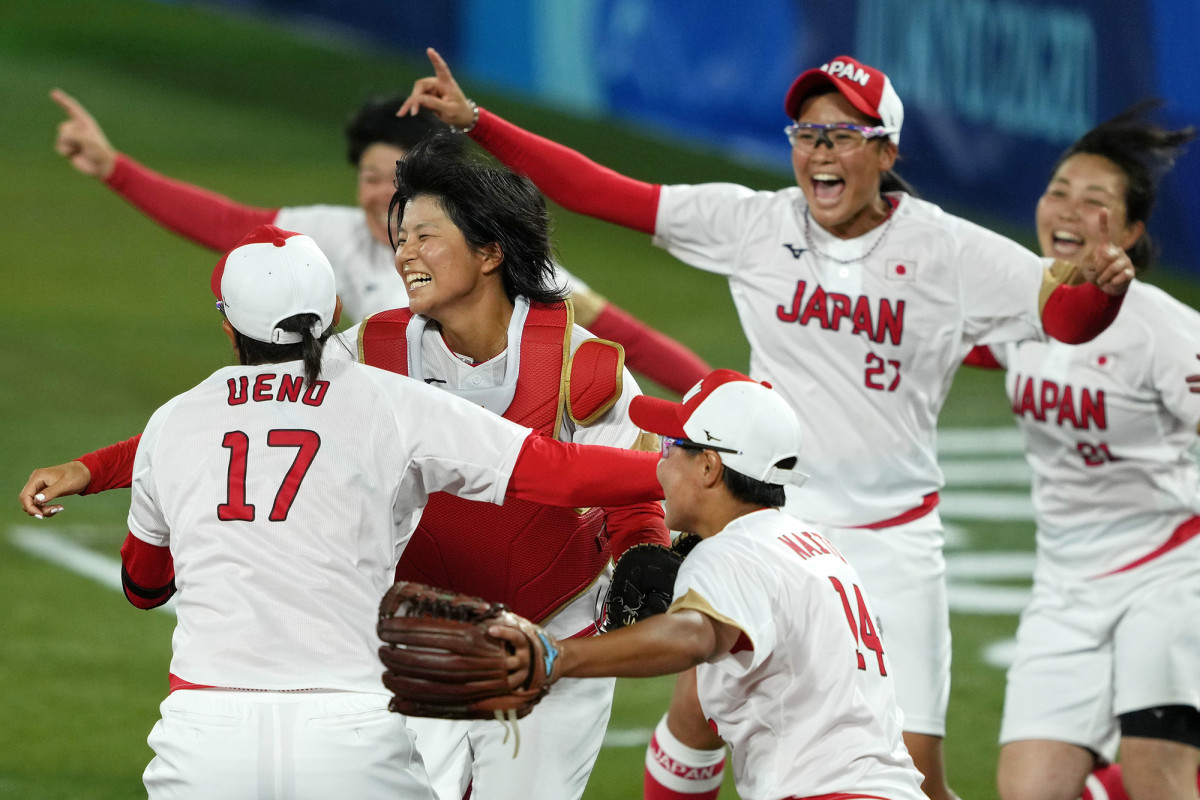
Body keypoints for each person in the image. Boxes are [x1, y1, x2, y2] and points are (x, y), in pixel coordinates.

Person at [399, 49, 1137, 800]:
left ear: (887, 150)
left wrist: (1105, 290)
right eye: (806, 133)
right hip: (774, 513)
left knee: (911, 766)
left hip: (893, 540)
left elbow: (1065, 315)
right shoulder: (755, 223)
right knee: (696, 715)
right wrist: (479, 123)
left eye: (844, 134)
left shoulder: (947, 248)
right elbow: (605, 194)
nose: (820, 151)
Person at [22, 137, 671, 800]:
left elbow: (623, 486)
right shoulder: (365, 352)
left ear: (489, 251)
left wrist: (645, 549)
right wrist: (92, 468)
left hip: (548, 634)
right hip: (418, 638)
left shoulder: (580, 365)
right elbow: (249, 419)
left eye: (424, 235)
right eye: (401, 236)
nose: (402, 253)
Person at [49, 88, 710, 394]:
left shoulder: (490, 253)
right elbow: (227, 225)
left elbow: (629, 336)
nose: (377, 198)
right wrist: (115, 169)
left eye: (394, 183)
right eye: (368, 178)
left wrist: (718, 392)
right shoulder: (334, 234)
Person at [482, 368, 928, 800]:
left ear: (710, 467)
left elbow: (695, 635)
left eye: (673, 445)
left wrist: (557, 656)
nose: (659, 458)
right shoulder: (810, 546)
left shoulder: (732, 552)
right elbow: (694, 724)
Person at [961, 103, 1200, 800]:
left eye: (1095, 201)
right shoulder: (1022, 309)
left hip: (1169, 570)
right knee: (1030, 794)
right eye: (1058, 190)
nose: (1067, 208)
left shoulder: (1161, 329)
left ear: (1129, 231)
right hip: (1064, 587)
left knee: (1162, 776)